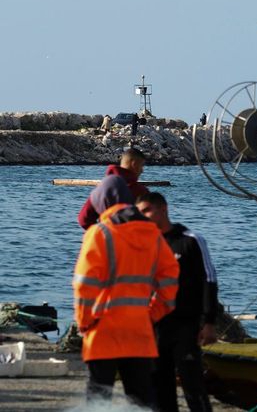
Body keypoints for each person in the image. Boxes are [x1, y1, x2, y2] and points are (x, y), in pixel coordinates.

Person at [73, 175, 179, 408]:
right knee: (141, 399)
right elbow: (171, 279)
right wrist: (152, 314)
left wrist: (84, 321)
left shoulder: (99, 233)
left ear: (102, 203)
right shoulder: (153, 234)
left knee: (98, 399)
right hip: (140, 331)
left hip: (102, 330)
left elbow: (84, 284)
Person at [136, 192, 218, 412]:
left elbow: (208, 281)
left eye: (146, 211)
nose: (143, 217)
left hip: (186, 325)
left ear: (163, 209)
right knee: (160, 389)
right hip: (155, 327)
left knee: (193, 385)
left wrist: (209, 322)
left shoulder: (190, 240)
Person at [78, 148, 149, 230]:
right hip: (130, 240)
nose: (142, 171)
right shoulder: (139, 191)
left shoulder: (101, 187)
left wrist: (103, 233)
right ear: (134, 164)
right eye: (141, 166)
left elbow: (83, 220)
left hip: (105, 239)